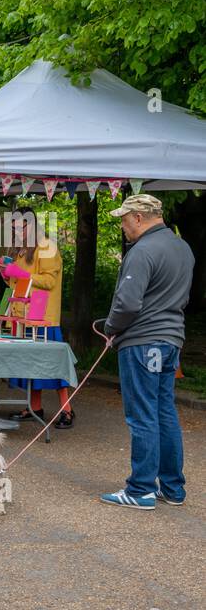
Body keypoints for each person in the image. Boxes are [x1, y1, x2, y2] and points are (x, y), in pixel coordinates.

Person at [99, 194, 194, 509]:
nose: (123, 226)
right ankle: (172, 488)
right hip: (171, 341)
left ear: (138, 217)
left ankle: (140, 489)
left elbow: (127, 303)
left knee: (142, 415)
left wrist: (110, 328)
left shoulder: (142, 251)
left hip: (142, 342)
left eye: (124, 219)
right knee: (164, 412)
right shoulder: (182, 248)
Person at [0, 209, 74, 427]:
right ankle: (34, 406)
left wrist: (19, 273)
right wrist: (6, 272)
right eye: (14, 228)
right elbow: (16, 285)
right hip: (21, 315)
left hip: (43, 316)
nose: (18, 231)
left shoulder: (47, 246)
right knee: (29, 365)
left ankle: (67, 410)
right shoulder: (21, 250)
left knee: (52, 366)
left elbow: (49, 281)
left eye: (21, 227)